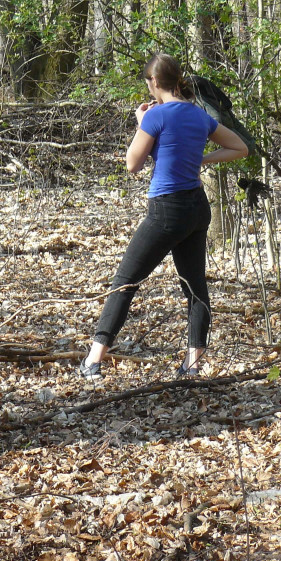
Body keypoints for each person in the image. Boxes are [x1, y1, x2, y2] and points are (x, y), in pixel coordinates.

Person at [79, 53, 249, 383]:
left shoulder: (156, 117)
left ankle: (93, 361)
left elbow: (132, 164)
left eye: (148, 84)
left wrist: (141, 124)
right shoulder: (199, 116)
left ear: (154, 83)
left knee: (125, 282)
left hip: (166, 210)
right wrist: (203, 160)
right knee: (195, 287)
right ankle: (193, 365)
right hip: (198, 209)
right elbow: (239, 148)